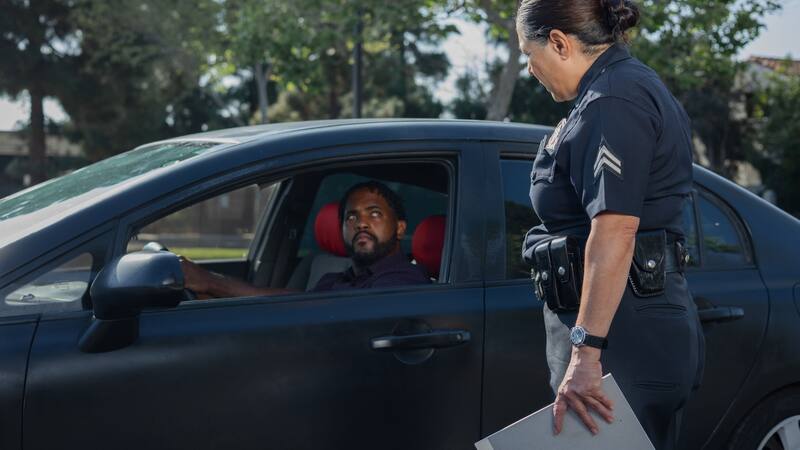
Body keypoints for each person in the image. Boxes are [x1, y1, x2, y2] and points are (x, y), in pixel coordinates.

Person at [516, 1, 704, 449]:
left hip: (621, 334)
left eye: (529, 53)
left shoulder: (613, 100)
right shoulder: (609, 91)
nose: (529, 68)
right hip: (621, 329)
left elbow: (615, 230)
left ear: (560, 43)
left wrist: (585, 352)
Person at [181, 180, 430, 297]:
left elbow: (311, 308)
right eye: (351, 217)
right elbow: (299, 305)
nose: (361, 223)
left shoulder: (404, 282)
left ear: (399, 228)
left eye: (374, 214)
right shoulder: (334, 278)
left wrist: (211, 281)